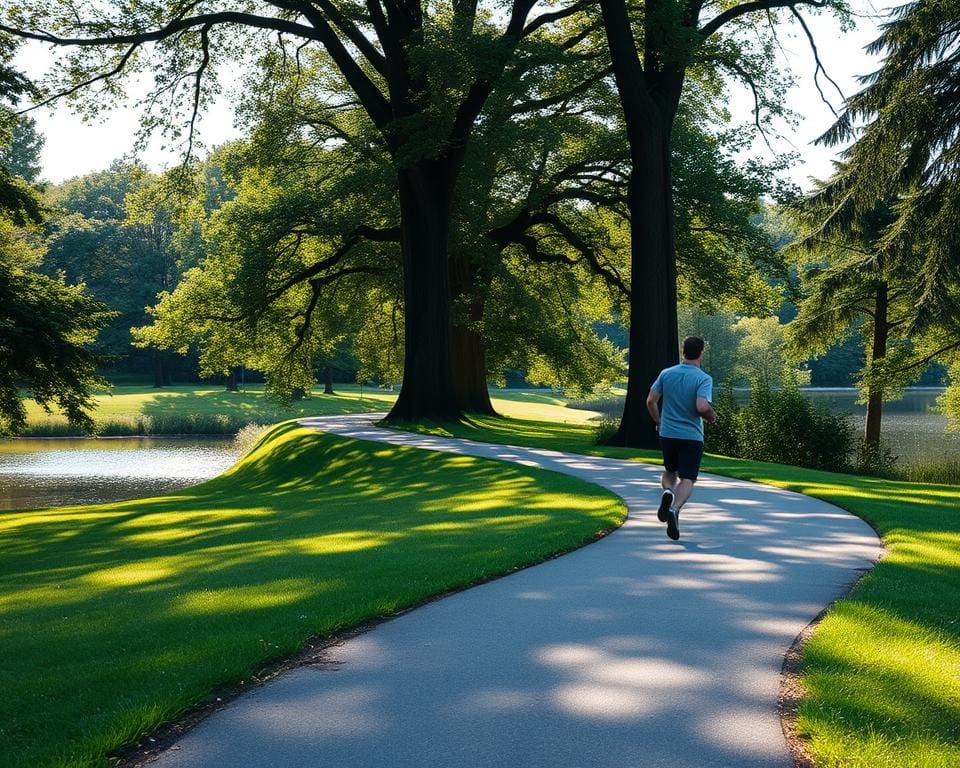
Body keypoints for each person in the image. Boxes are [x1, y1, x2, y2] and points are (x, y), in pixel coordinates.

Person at [646, 336, 718, 540]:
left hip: (668, 433)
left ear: (683, 352)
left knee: (670, 470)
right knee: (688, 478)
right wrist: (712, 416)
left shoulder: (667, 373)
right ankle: (675, 509)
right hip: (691, 436)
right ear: (701, 353)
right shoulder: (703, 378)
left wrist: (658, 421)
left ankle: (668, 492)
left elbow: (651, 401)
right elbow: (701, 406)